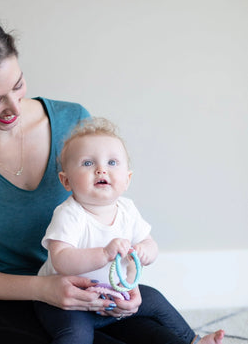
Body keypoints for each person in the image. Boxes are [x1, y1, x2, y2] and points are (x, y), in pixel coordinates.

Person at [0, 7, 225, 344]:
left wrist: (128, 282)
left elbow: (112, 214)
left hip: (91, 290)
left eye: (17, 85)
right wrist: (42, 288)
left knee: (159, 336)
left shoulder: (73, 122)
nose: (15, 107)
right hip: (6, 299)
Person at [34, 117, 224, 344]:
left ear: (127, 179)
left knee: (154, 299)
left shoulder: (127, 209)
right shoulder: (69, 214)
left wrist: (145, 251)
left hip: (113, 298)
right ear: (66, 181)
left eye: (112, 163)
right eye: (87, 163)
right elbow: (62, 260)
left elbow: (149, 242)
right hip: (69, 303)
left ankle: (193, 340)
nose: (101, 170)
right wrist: (104, 253)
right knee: (76, 334)